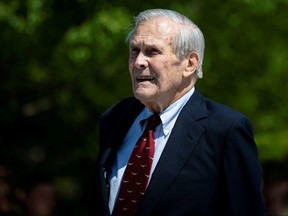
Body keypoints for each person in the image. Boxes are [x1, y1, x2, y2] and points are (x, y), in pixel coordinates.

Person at [88, 8, 266, 216]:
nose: (138, 62)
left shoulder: (225, 130)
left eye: (153, 51)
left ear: (190, 63)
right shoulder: (116, 118)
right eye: (134, 50)